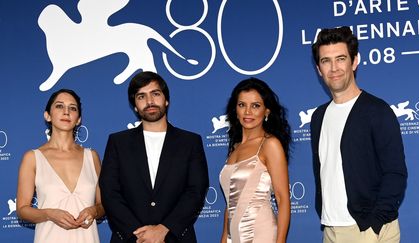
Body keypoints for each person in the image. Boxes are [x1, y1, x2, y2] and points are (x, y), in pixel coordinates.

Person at [310, 26, 408, 243]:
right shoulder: (318, 116)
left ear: (354, 61)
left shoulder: (377, 111)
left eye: (341, 58)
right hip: (331, 230)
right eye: (326, 61)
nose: (334, 68)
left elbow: (395, 173)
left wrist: (374, 226)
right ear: (318, 68)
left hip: (367, 229)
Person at [99, 71, 209, 243]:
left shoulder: (190, 142)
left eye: (155, 94)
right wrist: (140, 235)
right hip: (130, 239)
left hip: (175, 238)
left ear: (166, 100)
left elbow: (196, 191)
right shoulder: (118, 142)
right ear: (135, 105)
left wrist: (164, 229)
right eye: (141, 96)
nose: (149, 101)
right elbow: (110, 192)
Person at [16, 89, 104, 243]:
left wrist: (94, 211)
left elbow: (104, 205)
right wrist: (49, 214)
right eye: (59, 106)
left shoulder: (92, 157)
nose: (66, 112)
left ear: (78, 119)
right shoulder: (32, 158)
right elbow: (22, 210)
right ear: (47, 115)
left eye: (73, 108)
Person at [220, 78, 291, 243]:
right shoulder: (235, 148)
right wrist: (224, 238)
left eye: (255, 105)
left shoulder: (270, 144)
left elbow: (283, 199)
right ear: (235, 109)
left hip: (261, 234)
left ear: (266, 111)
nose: (247, 112)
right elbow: (231, 202)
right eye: (242, 105)